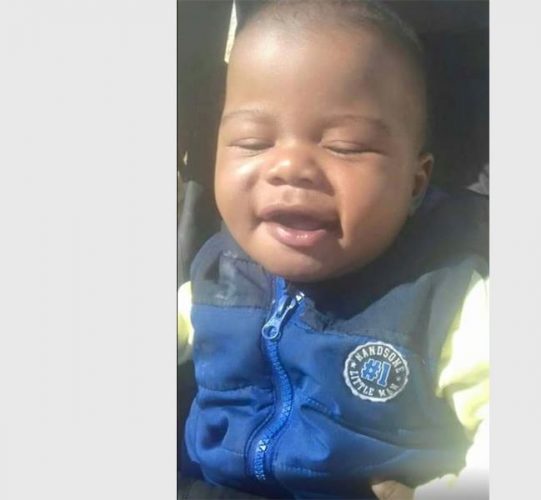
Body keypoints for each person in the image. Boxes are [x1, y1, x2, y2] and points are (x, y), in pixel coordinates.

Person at [178, 1, 488, 498]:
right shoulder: (217, 271)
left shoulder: (447, 301)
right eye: (253, 142)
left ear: (414, 183)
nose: (290, 167)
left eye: (346, 146)